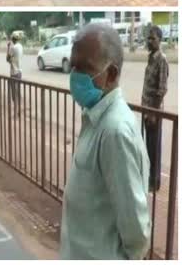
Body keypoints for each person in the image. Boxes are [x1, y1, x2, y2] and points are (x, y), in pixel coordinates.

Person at [60, 24, 150, 259]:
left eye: (85, 68)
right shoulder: (95, 118)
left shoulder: (114, 132)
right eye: (74, 66)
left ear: (111, 74)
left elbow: (136, 232)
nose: (76, 76)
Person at [142, 25, 169, 193]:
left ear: (160, 39)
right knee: (148, 147)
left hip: (153, 112)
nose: (149, 41)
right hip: (147, 111)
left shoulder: (162, 60)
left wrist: (153, 112)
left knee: (154, 148)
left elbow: (161, 89)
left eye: (153, 38)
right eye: (148, 38)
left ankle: (155, 181)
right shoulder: (151, 58)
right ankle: (149, 177)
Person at [7, 35, 23, 116]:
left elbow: (7, 58)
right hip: (20, 71)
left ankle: (16, 111)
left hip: (14, 72)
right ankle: (19, 110)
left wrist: (8, 47)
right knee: (18, 92)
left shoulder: (12, 48)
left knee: (14, 94)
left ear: (12, 40)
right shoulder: (20, 46)